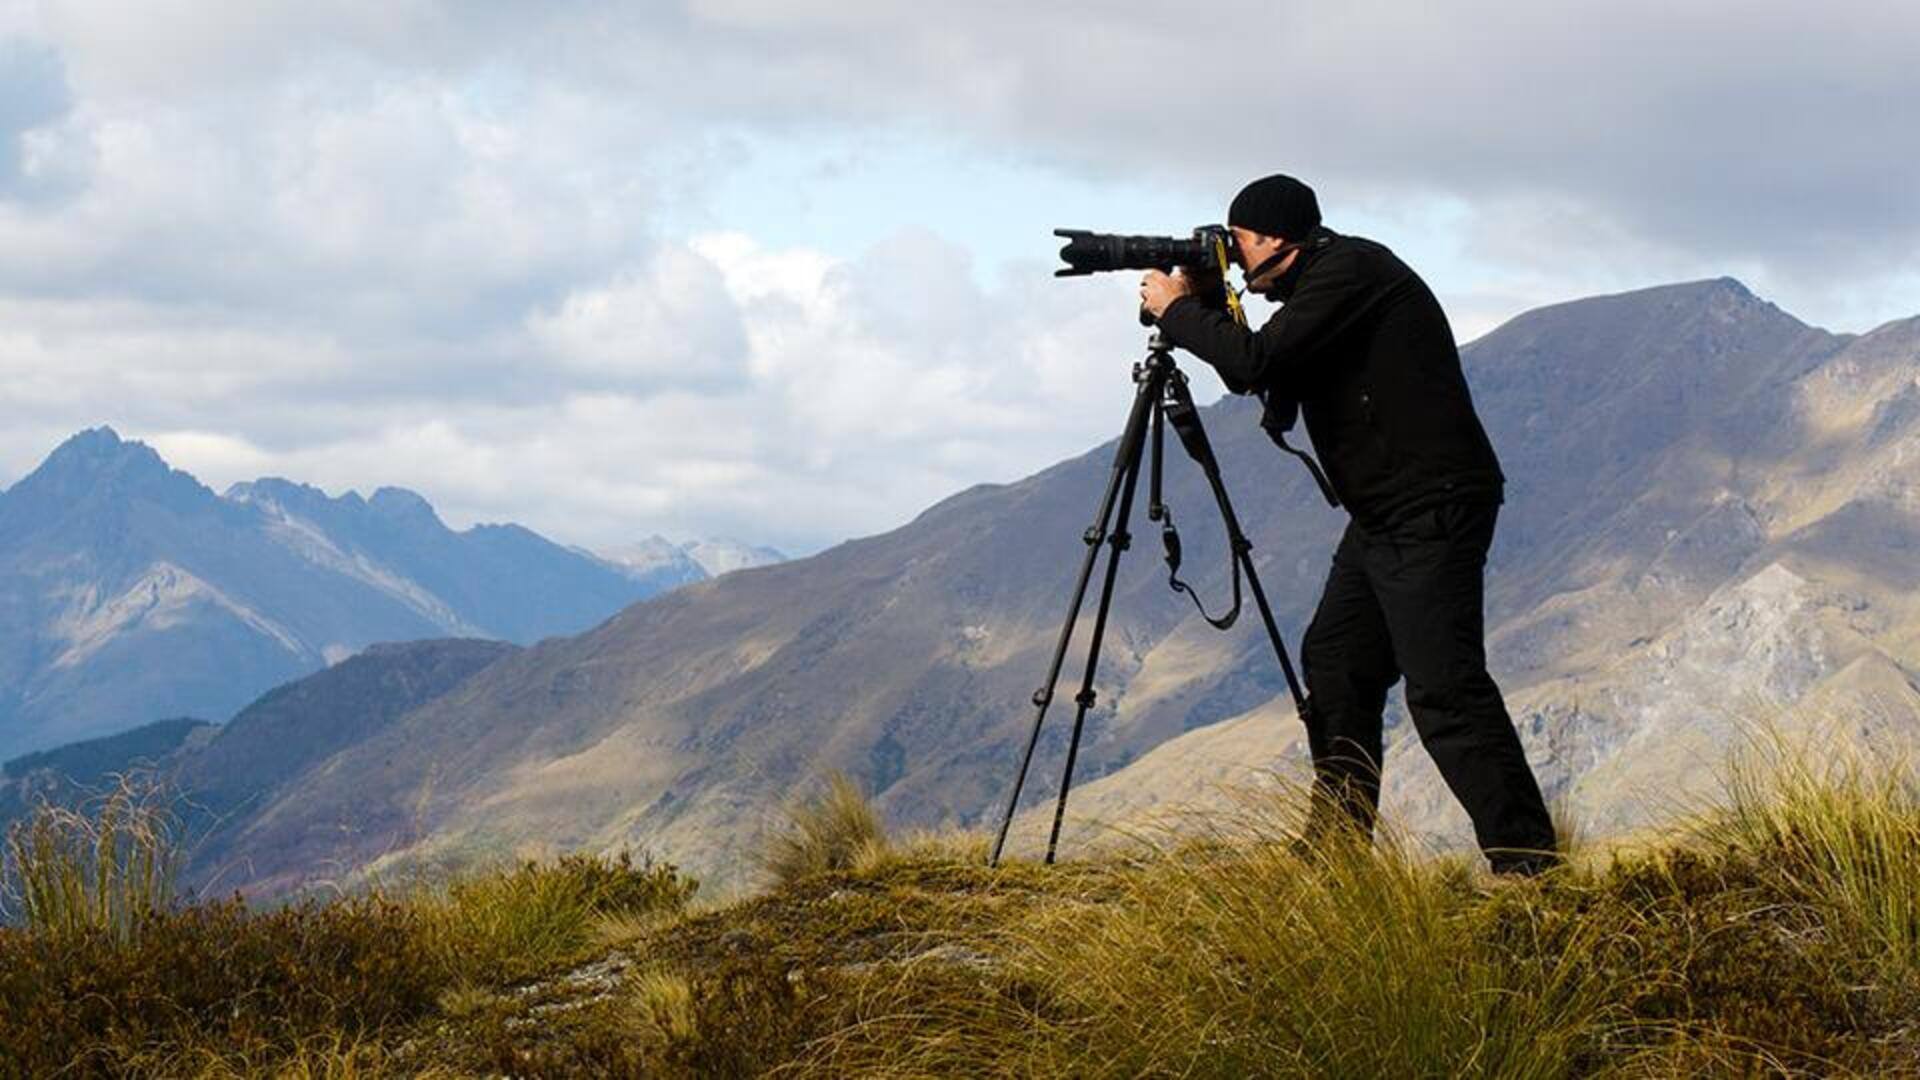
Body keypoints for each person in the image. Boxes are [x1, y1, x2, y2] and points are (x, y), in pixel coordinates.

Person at [1138, 173, 1557, 875]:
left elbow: (1254, 364)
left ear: (1273, 237)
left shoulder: (1353, 272)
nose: (1235, 258)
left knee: (1444, 688)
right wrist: (1211, 307)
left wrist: (1180, 311)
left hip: (1431, 506)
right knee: (1336, 661)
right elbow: (1270, 370)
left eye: (1237, 243)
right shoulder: (1321, 289)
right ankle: (1335, 849)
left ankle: (1530, 866)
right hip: (1386, 514)